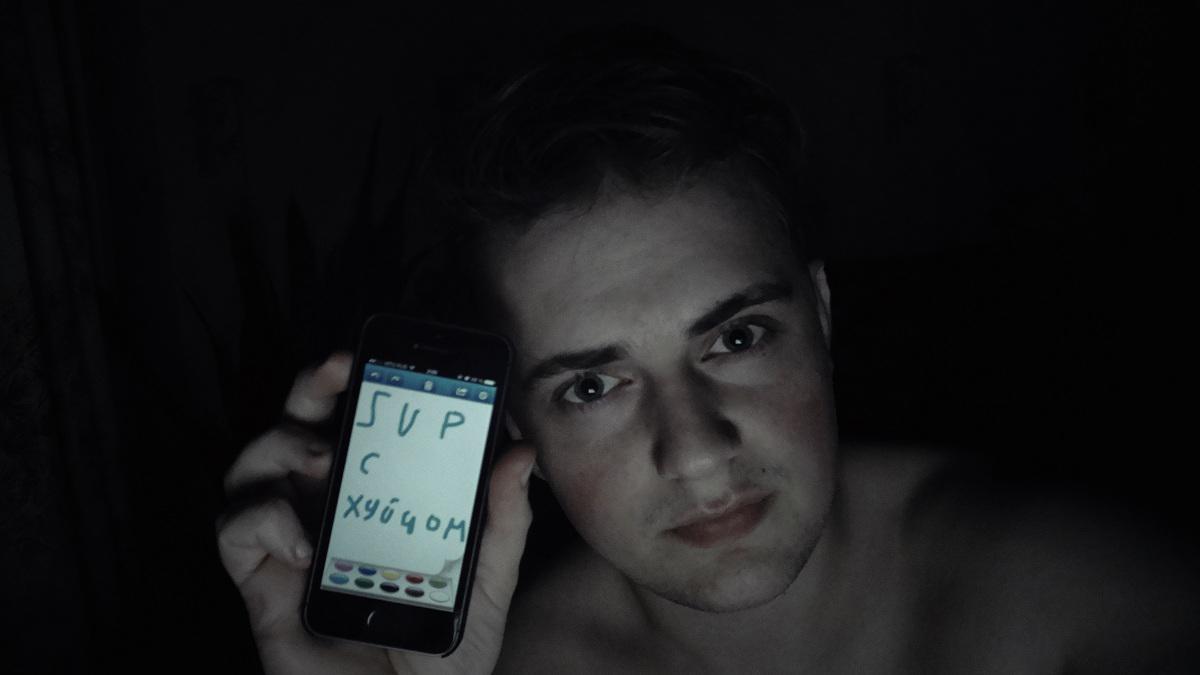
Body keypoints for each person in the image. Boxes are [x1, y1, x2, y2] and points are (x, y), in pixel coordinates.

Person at [215, 27, 1199, 674]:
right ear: (515, 423)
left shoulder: (1074, 594)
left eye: (737, 336)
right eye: (592, 385)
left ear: (820, 313)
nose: (694, 451)